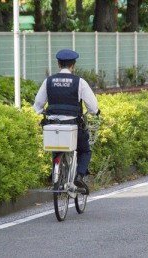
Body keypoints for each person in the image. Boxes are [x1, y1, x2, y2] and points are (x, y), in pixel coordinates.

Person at [34, 49, 100, 194]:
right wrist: (96, 112)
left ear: (58, 64)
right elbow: (93, 106)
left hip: (53, 125)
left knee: (56, 147)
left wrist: (41, 112)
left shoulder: (48, 81)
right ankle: (79, 176)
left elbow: (38, 105)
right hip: (73, 125)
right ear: (73, 65)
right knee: (85, 150)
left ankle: (55, 175)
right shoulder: (79, 82)